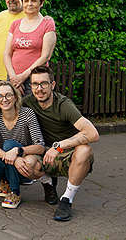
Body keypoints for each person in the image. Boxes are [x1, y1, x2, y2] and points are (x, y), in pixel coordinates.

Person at [21, 66, 99, 221]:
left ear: (53, 85)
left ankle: (66, 200)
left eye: (44, 83)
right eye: (35, 84)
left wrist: (59, 146)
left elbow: (93, 133)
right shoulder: (27, 103)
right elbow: (5, 116)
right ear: (31, 86)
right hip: (43, 152)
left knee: (84, 151)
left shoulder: (64, 105)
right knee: (26, 163)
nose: (40, 89)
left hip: (66, 153)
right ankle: (48, 182)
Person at [0, 81, 45, 209]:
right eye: (0, 96)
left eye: (8, 95)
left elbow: (40, 146)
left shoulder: (27, 114)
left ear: (15, 97)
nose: (4, 99)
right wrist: (12, 158)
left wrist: (18, 152)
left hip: (26, 159)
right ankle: (6, 180)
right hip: (7, 158)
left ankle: (15, 192)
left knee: (9, 144)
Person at [4, 0, 56, 94]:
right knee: (13, 109)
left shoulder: (47, 24)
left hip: (35, 79)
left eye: (34, 1)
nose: (29, 4)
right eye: (26, 1)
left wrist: (23, 76)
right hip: (13, 78)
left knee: (31, 110)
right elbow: (7, 54)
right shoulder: (15, 24)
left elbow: (45, 56)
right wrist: (13, 78)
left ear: (41, 3)